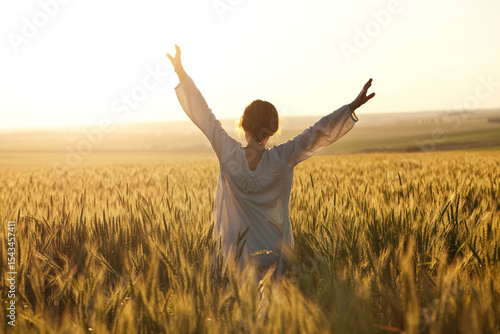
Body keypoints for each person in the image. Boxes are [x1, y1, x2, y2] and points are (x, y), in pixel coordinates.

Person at [166, 45, 375, 281]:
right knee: (271, 315)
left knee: (240, 315)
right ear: (270, 131)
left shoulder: (227, 153)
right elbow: (317, 133)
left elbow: (204, 116)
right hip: (273, 257)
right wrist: (351, 108)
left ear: (244, 126)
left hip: (236, 258)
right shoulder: (282, 159)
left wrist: (181, 73)